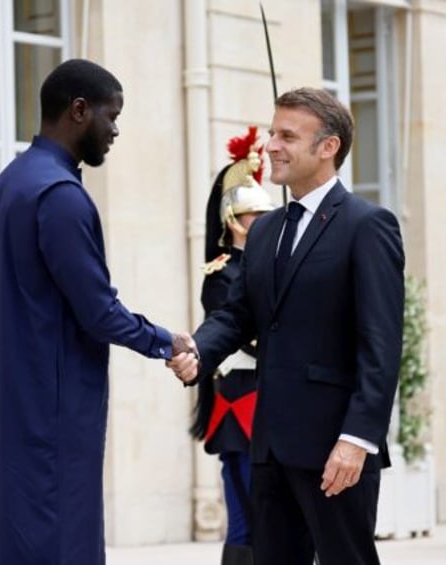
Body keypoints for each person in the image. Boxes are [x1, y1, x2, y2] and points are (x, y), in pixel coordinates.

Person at [0, 58, 195, 565]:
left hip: (9, 408)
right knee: (63, 546)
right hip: (53, 413)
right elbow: (98, 311)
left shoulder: (10, 181)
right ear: (79, 110)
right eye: (111, 116)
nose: (115, 130)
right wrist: (166, 342)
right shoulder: (61, 196)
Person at [171, 87, 405, 565]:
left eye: (287, 136)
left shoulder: (368, 225)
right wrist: (199, 349)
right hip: (270, 445)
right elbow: (239, 314)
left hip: (335, 451)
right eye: (272, 132)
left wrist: (356, 440)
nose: (271, 145)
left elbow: (381, 346)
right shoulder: (265, 232)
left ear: (328, 147)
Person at [192, 127, 274, 565]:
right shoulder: (222, 272)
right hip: (241, 392)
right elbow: (241, 331)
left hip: (273, 392)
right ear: (232, 220)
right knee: (246, 510)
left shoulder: (270, 265)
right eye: (253, 216)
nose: (262, 223)